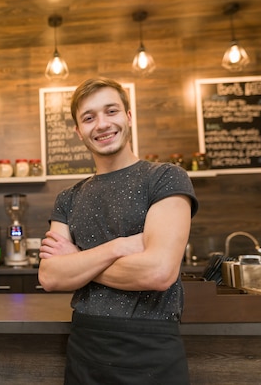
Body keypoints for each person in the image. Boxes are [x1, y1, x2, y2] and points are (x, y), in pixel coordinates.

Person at [38, 77, 199, 384]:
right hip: (85, 347)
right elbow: (50, 276)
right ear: (78, 131)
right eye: (89, 117)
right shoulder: (68, 198)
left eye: (111, 111)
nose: (101, 124)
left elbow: (159, 272)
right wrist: (119, 247)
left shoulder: (165, 178)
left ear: (128, 116)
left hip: (151, 349)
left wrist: (78, 261)